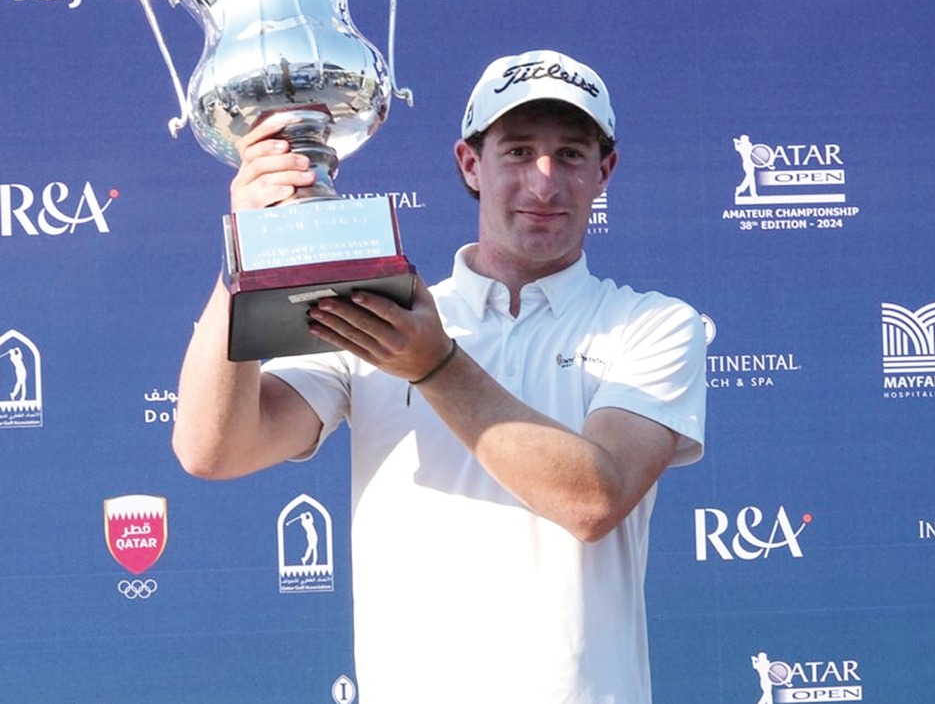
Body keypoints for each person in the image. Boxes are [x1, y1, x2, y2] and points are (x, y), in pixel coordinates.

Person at [173, 49, 707, 703]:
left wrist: (433, 367)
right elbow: (213, 449)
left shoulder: (652, 323)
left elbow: (593, 501)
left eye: (570, 154)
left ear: (605, 171)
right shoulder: (379, 315)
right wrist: (245, 256)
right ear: (470, 164)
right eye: (518, 152)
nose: (544, 183)